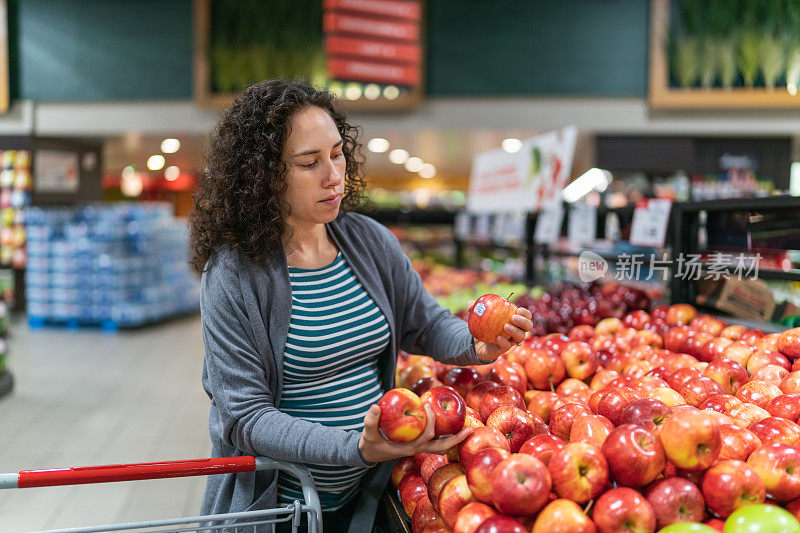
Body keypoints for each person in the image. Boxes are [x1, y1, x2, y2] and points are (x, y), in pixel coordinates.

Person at [189, 79, 533, 533]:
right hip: (279, 510)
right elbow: (247, 419)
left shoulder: (367, 241)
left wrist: (477, 345)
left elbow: (426, 323)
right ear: (264, 177)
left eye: (336, 153)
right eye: (309, 163)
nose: (333, 175)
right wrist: (356, 447)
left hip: (367, 498)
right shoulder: (234, 275)